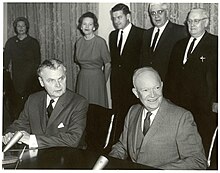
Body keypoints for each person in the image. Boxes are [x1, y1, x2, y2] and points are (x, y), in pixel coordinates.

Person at [108, 67, 207, 170]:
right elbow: (122, 147)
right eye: (146, 90)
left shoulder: (182, 117)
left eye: (157, 88)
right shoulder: (133, 111)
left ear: (162, 86)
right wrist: (107, 163)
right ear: (136, 93)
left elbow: (198, 161)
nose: (153, 95)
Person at [165, 8, 218, 158]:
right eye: (189, 21)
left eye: (196, 21)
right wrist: (167, 99)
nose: (192, 25)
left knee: (201, 143)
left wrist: (217, 100)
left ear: (206, 22)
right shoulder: (179, 44)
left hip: (203, 106)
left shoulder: (215, 43)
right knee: (180, 142)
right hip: (179, 104)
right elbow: (171, 75)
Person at [2, 59, 88, 149]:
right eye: (51, 80)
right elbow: (20, 125)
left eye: (61, 79)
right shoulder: (33, 99)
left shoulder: (78, 103)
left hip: (70, 157)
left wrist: (32, 140)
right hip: (39, 157)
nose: (58, 85)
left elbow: (73, 139)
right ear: (41, 82)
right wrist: (10, 134)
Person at [109, 3, 145, 141]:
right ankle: (117, 144)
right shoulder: (112, 35)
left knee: (133, 117)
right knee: (118, 115)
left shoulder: (141, 34)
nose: (116, 21)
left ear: (128, 16)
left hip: (132, 85)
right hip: (117, 84)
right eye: (114, 18)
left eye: (119, 17)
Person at [4, 17, 41, 122]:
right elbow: (5, 62)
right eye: (18, 26)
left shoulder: (33, 42)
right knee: (15, 103)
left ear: (27, 27)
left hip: (31, 77)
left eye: (23, 25)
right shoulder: (11, 42)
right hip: (16, 76)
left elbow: (37, 61)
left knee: (28, 101)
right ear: (15, 28)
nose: (21, 28)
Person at [140, 3, 188, 82]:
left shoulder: (180, 32)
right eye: (153, 13)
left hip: (171, 83)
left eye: (160, 12)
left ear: (167, 13)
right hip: (150, 83)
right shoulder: (146, 34)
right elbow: (143, 60)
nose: (156, 16)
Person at [74, 12, 111, 108]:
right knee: (82, 108)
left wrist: (103, 80)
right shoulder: (78, 42)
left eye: (90, 24)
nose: (87, 27)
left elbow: (108, 64)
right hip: (82, 79)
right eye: (84, 24)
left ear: (94, 27)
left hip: (97, 79)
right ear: (81, 27)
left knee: (97, 108)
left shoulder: (100, 42)